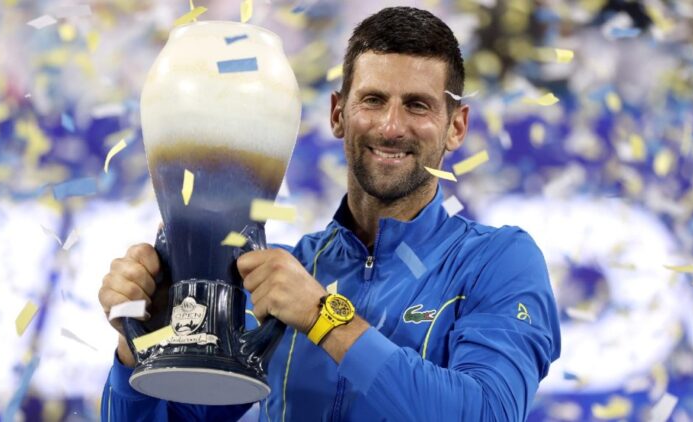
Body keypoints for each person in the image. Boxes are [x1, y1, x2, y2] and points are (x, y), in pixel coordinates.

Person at [98, 6, 561, 421]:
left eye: (417, 105)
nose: (391, 126)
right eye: (373, 100)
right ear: (338, 114)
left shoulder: (498, 261)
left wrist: (325, 318)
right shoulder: (281, 276)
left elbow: (489, 411)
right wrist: (141, 342)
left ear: (456, 126)